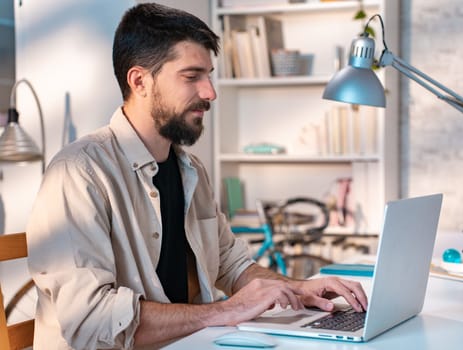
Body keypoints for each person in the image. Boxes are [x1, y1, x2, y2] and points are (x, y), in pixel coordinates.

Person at [26, 3, 368, 349]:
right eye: (192, 77)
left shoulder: (191, 169)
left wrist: (298, 288)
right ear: (139, 81)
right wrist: (227, 310)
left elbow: (230, 265)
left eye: (209, 75)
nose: (210, 93)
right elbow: (92, 320)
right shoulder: (79, 173)